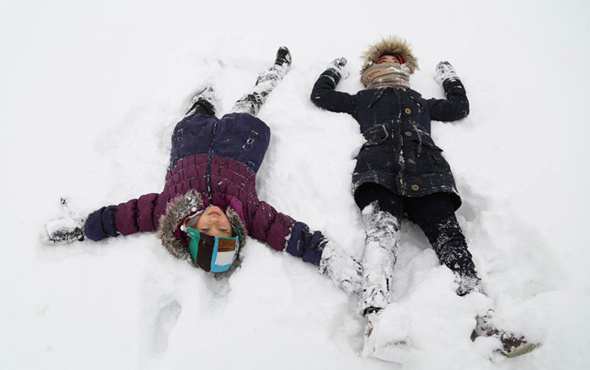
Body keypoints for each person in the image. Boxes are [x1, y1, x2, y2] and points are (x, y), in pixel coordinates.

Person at [42, 47, 362, 295]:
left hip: (193, 139)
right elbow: (288, 232)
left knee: (198, 112)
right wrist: (326, 256)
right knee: (249, 102)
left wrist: (85, 227)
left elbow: (123, 217)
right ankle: (276, 71)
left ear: (191, 232)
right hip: (238, 141)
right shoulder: (247, 213)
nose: (216, 223)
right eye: (225, 232)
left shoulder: (166, 210)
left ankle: (205, 98)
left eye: (207, 232)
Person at [310, 36, 538, 357]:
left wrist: (450, 78)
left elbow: (459, 108)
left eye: (397, 61)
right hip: (378, 173)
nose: (392, 64)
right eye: (385, 60)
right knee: (381, 240)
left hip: (429, 174)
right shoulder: (362, 99)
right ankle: (376, 319)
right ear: (373, 67)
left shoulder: (420, 101)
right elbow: (321, 96)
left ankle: (486, 320)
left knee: (452, 243)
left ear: (406, 68)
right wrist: (333, 70)